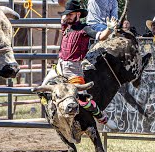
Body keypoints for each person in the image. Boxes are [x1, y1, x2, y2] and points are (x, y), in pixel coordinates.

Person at [42, 0, 118, 130]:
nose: (67, 16)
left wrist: (109, 29)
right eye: (66, 14)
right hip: (60, 66)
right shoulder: (66, 26)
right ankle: (52, 115)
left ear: (78, 14)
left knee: (84, 100)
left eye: (70, 14)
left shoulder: (85, 29)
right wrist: (66, 11)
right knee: (43, 89)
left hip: (74, 69)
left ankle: (103, 118)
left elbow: (101, 37)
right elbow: (63, 14)